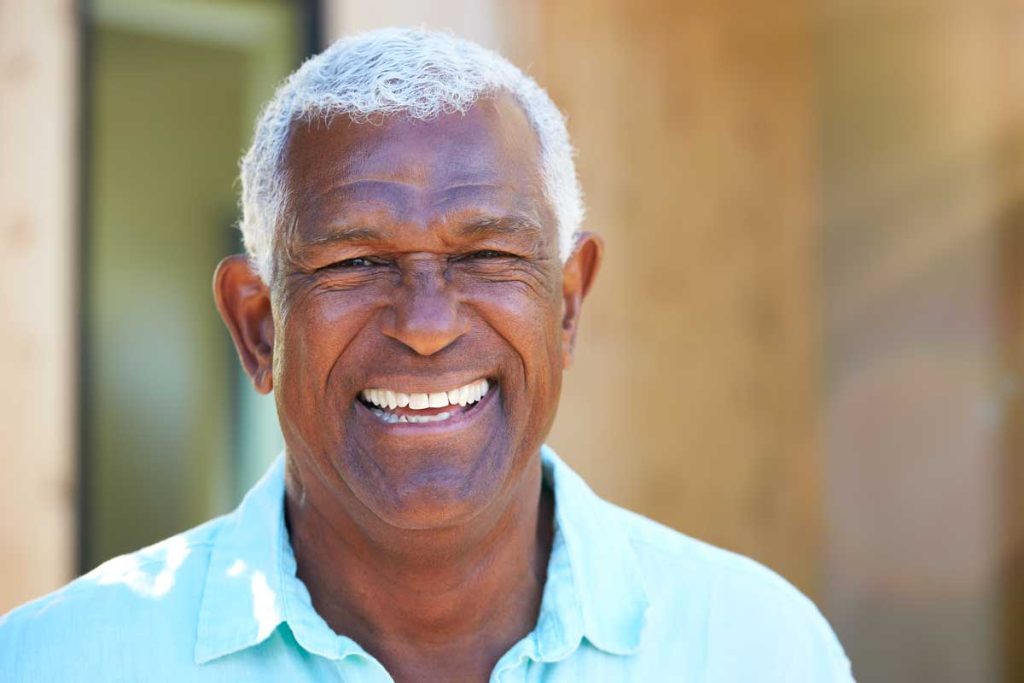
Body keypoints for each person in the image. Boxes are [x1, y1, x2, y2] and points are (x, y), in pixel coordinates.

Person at [0, 28, 853, 681]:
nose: (428, 322)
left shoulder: (758, 649)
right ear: (258, 326)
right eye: (356, 262)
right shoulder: (60, 662)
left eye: (487, 256)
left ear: (567, 304)